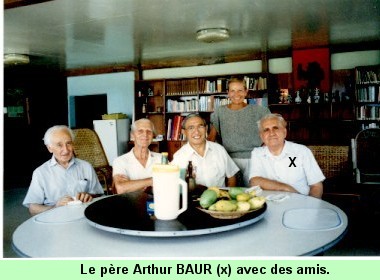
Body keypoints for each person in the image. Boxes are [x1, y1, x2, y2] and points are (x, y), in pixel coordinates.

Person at [23, 125, 104, 216]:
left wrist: (90, 196)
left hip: (83, 216)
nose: (65, 150)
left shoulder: (86, 167)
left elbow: (99, 195)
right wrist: (55, 207)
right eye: (59, 145)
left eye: (68, 143)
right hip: (54, 219)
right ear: (50, 148)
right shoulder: (40, 173)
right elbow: (32, 208)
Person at [208, 76, 270, 187]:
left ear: (246, 92)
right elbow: (211, 138)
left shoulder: (260, 111)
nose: (236, 94)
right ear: (228, 93)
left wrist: (263, 154)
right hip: (228, 160)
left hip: (255, 158)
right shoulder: (219, 112)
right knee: (233, 195)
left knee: (255, 195)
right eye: (232, 90)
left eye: (240, 90)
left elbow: (270, 134)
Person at [249, 113, 324, 198]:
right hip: (270, 205)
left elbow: (316, 186)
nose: (271, 133)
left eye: (275, 128)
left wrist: (309, 205)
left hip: (300, 203)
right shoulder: (257, 153)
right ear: (262, 136)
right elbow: (254, 181)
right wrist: (286, 188)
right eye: (266, 130)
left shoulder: (302, 151)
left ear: (284, 132)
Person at [171, 114, 239, 188]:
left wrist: (228, 197)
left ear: (206, 128)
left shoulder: (219, 150)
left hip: (221, 197)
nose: (196, 132)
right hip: (193, 198)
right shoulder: (179, 157)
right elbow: (173, 184)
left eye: (200, 126)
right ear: (184, 132)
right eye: (191, 128)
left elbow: (231, 177)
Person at [112, 118, 162, 193]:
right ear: (132, 136)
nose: (145, 135)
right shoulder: (120, 161)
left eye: (149, 131)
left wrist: (133, 185)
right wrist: (152, 180)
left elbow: (169, 182)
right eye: (140, 131)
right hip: (131, 203)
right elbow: (121, 188)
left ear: (152, 136)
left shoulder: (161, 158)